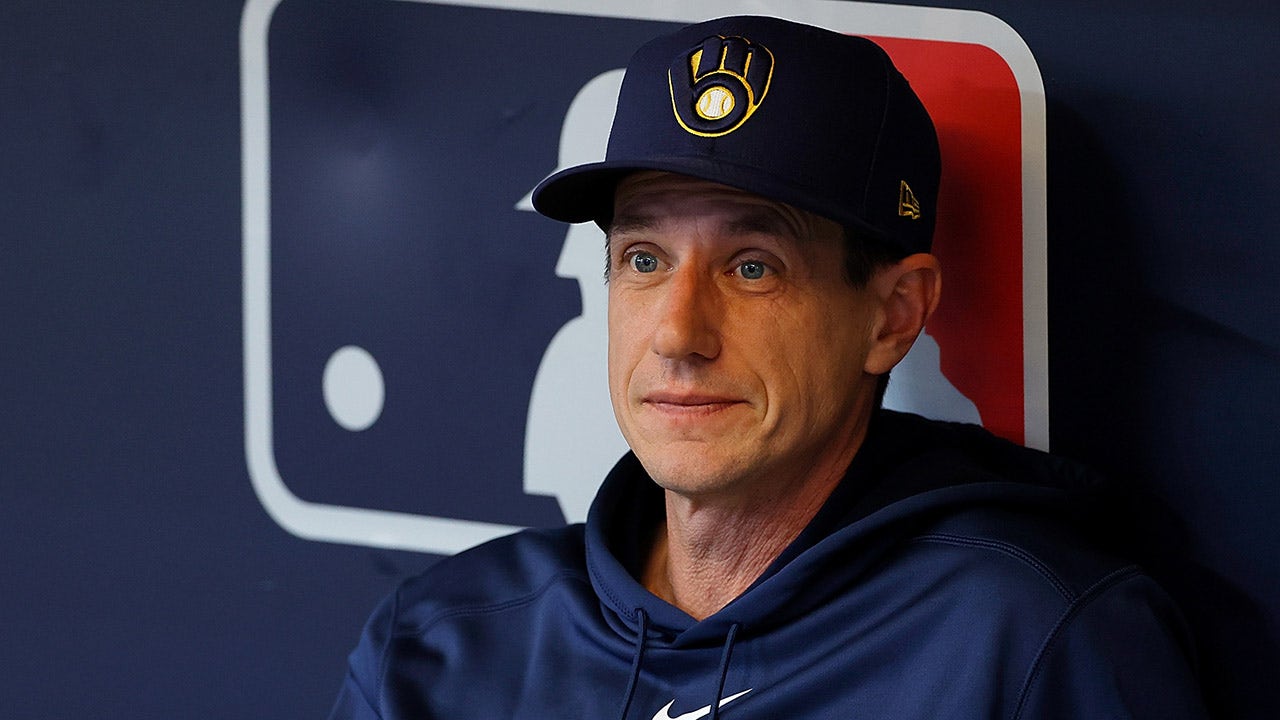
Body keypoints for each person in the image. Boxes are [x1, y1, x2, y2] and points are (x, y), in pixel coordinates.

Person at [329, 15, 1206, 719]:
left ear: (894, 315)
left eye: (753, 267)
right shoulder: (442, 644)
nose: (678, 333)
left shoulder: (1030, 642)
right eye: (644, 259)